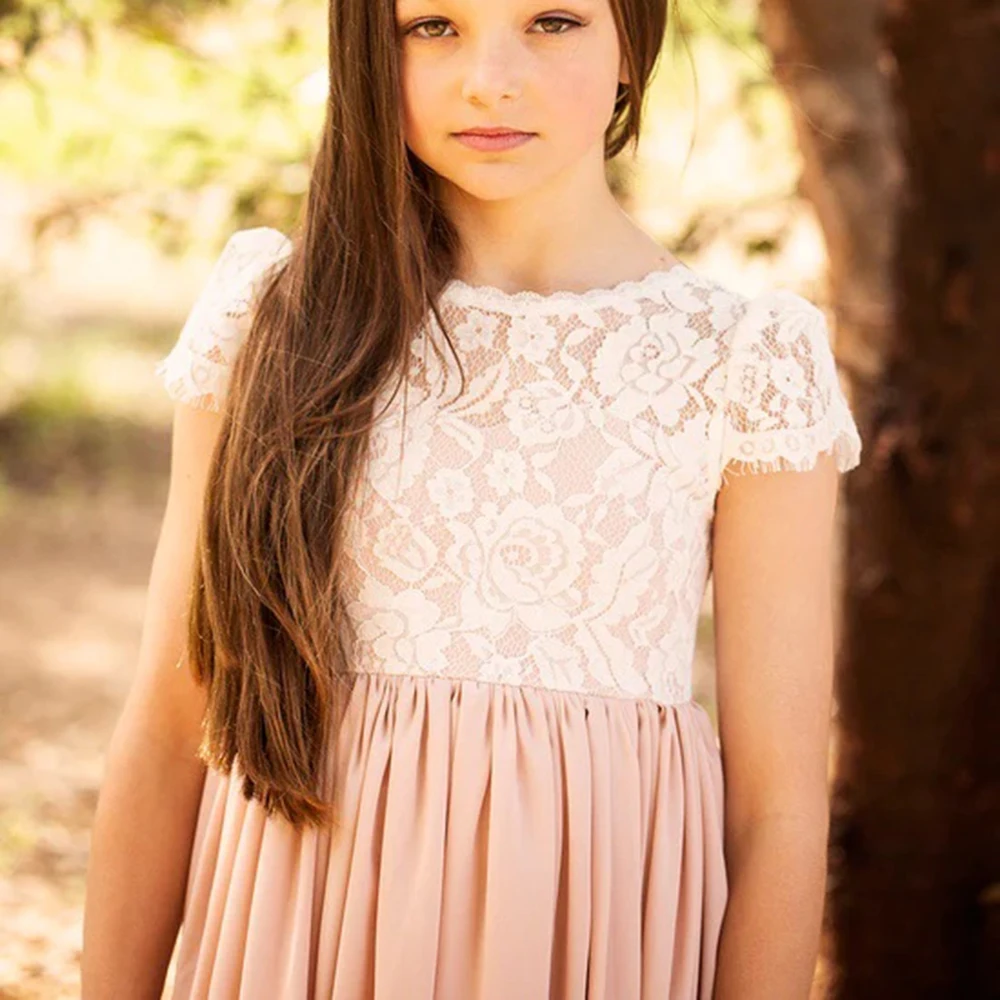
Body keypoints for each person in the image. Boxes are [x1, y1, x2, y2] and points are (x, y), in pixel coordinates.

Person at [81, 0, 863, 996]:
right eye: (433, 26)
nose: (489, 78)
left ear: (634, 39)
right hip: (296, 938)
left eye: (551, 22)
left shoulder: (740, 358)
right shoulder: (277, 315)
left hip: (580, 946)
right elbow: (167, 717)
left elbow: (777, 810)